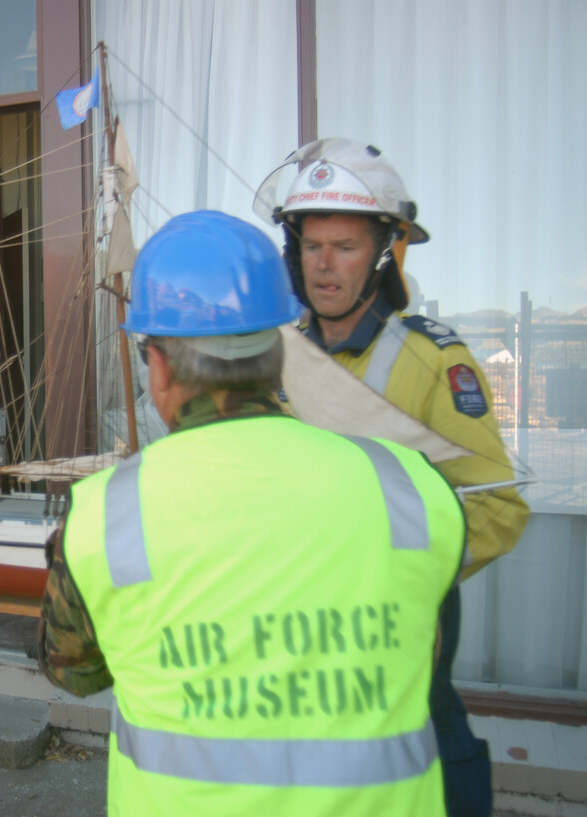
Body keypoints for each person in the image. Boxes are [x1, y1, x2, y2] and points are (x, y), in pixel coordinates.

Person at [37, 210, 466, 816]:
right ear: (278, 349)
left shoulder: (107, 514)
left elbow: (74, 674)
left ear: (159, 363)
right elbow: (426, 647)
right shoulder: (409, 486)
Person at [254, 138, 530, 817]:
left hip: (400, 640)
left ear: (383, 253)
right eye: (311, 245)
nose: (324, 264)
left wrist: (387, 569)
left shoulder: (435, 360)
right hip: (293, 647)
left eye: (345, 246)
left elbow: (495, 508)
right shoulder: (272, 359)